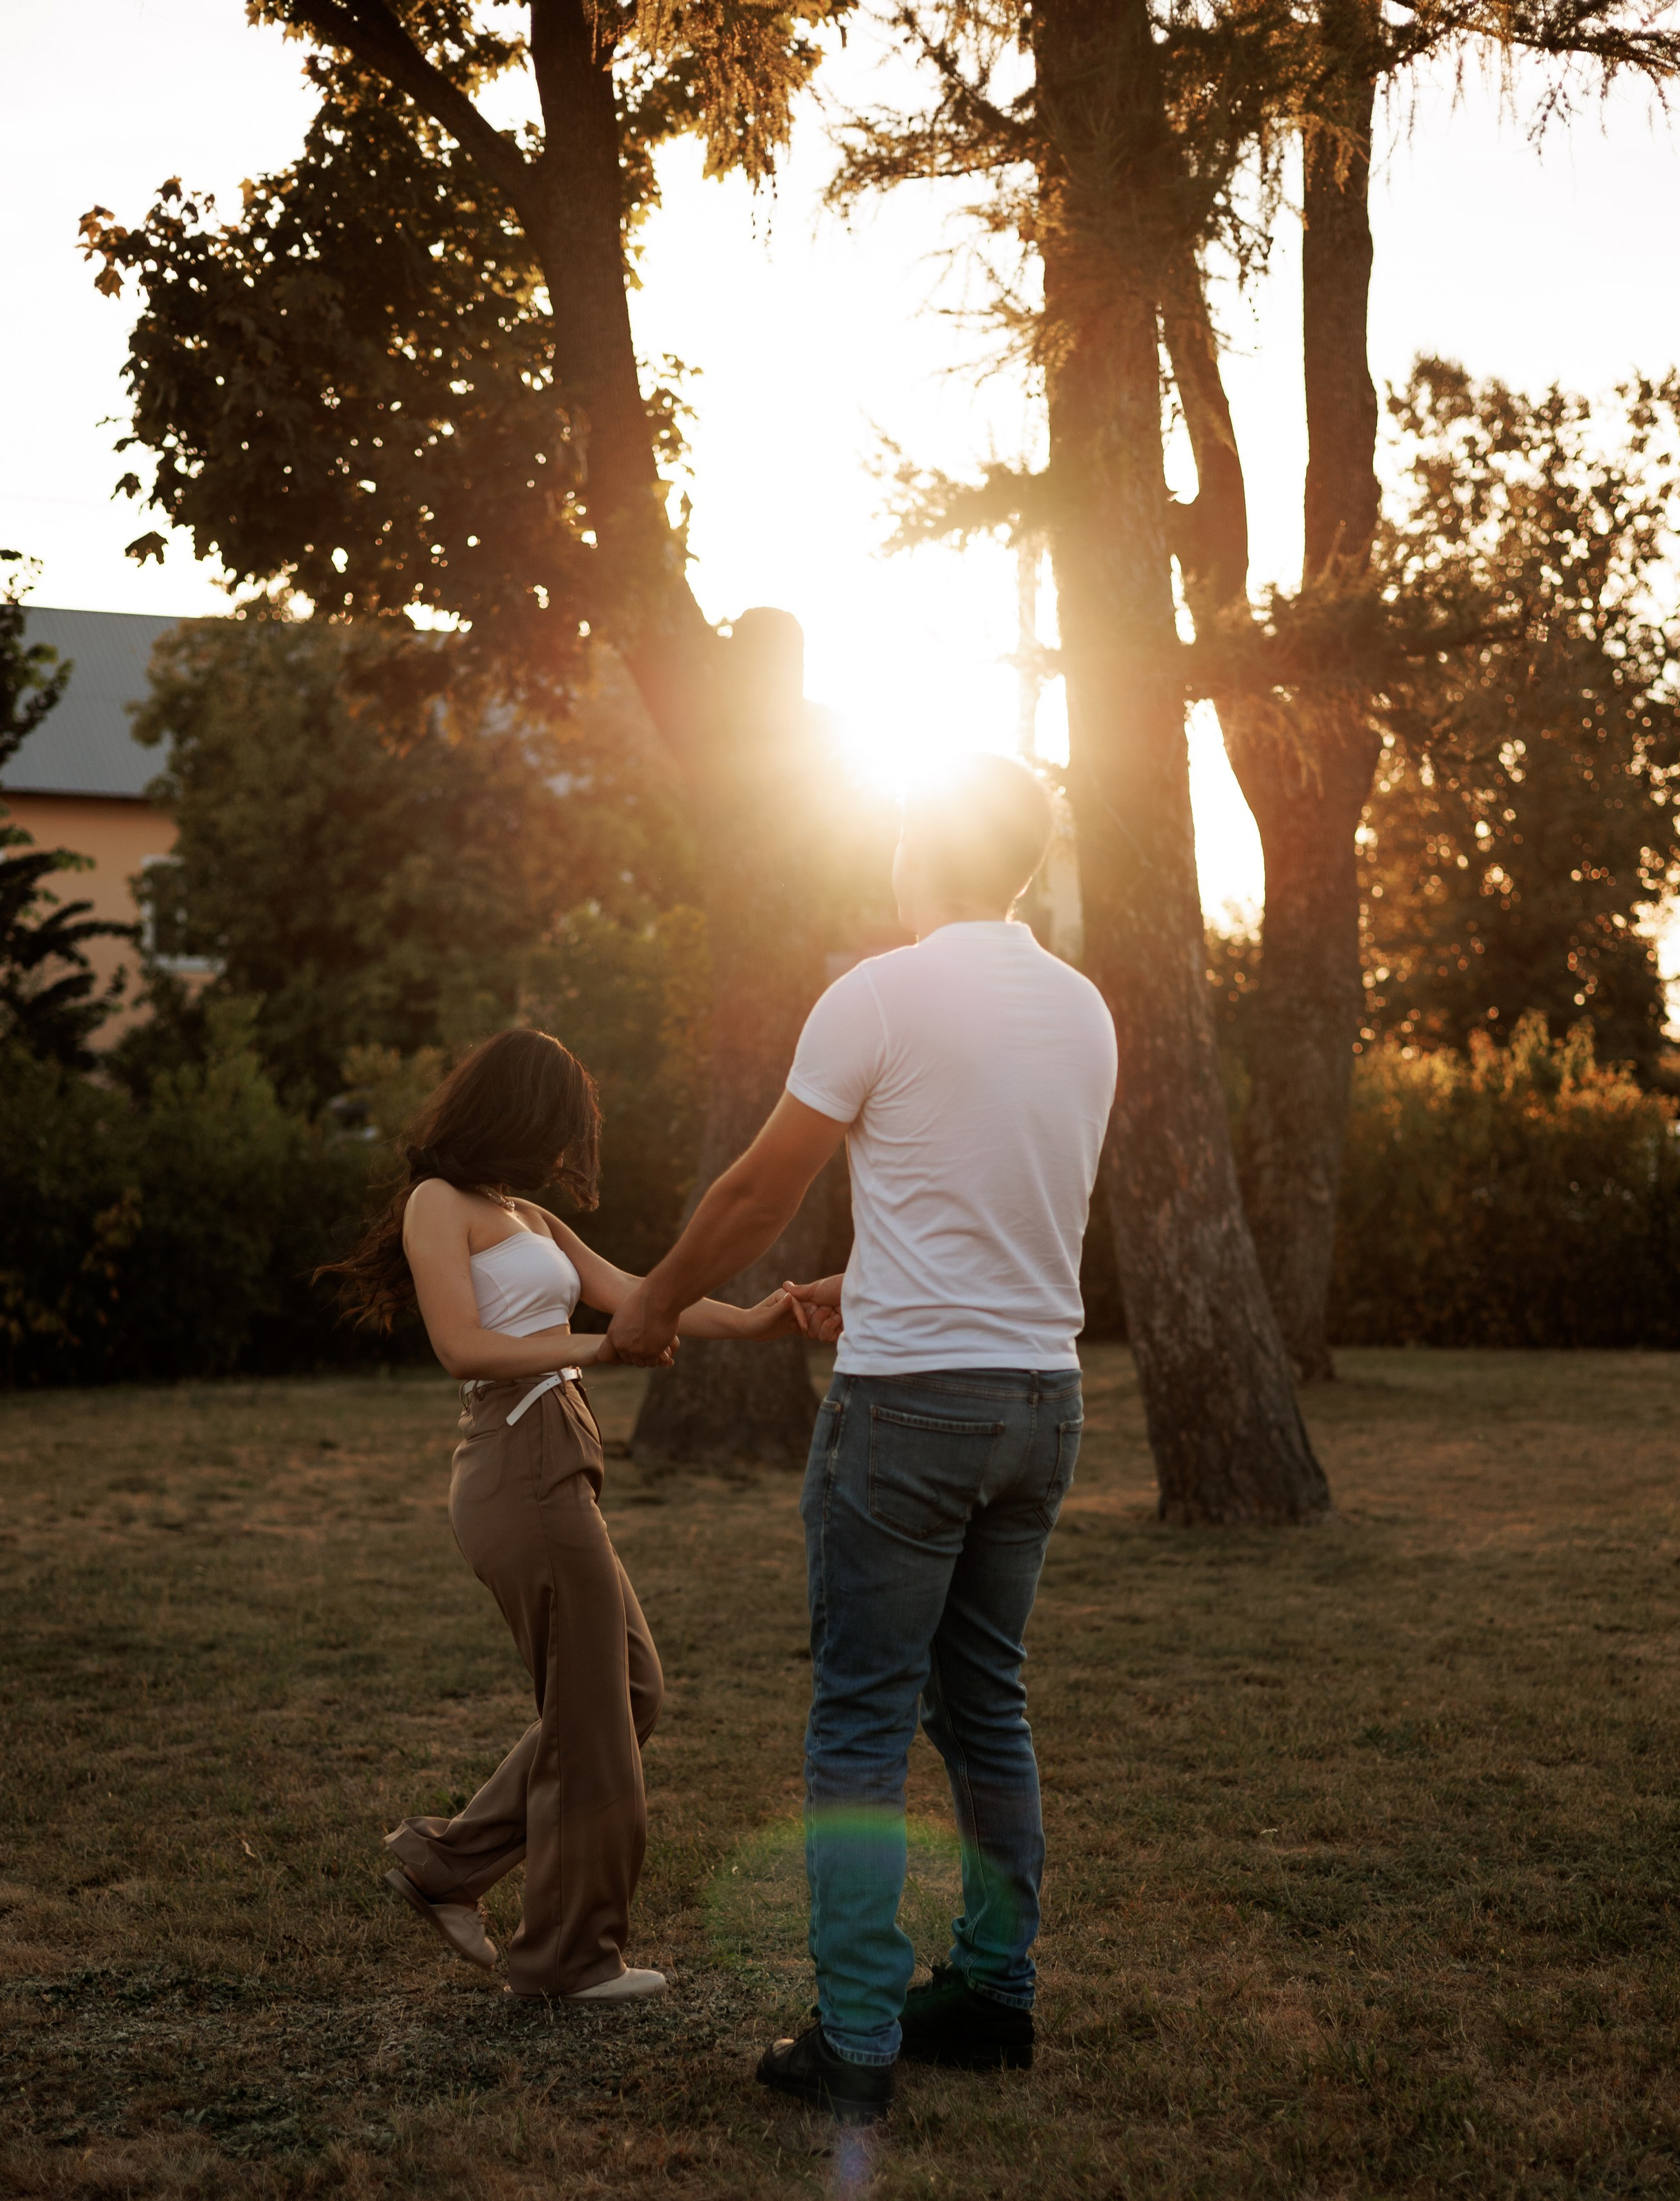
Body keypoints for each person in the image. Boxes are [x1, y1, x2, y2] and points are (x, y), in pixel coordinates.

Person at [609, 755, 1117, 2120]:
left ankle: (855, 2040)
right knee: (984, 1705)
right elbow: (996, 1195)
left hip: (906, 1411)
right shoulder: (1079, 1008)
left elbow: (757, 1186)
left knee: (861, 1721)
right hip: (1038, 1401)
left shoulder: (879, 993)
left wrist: (656, 1304)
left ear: (914, 845)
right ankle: (995, 1998)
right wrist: (881, 1281)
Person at [322, 1026, 806, 2003]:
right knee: (594, 1714)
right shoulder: (437, 1205)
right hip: (515, 1463)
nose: (565, 1150)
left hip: (559, 1458)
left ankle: (444, 1864)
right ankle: (569, 1961)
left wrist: (756, 1320)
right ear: (516, 1114)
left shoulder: (528, 1216)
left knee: (626, 1693)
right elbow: (460, 1346)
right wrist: (597, 1351)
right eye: (559, 1127)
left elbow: (638, 1296)